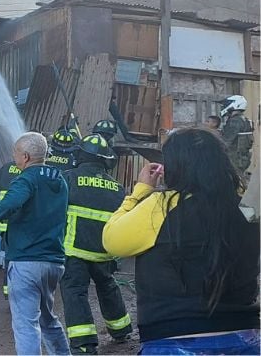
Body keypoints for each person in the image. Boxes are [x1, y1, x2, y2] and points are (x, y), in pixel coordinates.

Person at [103, 128, 260, 355]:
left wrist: (140, 191)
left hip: (174, 338)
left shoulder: (161, 205)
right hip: (244, 337)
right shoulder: (246, 209)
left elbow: (112, 241)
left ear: (176, 167)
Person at [0, 132, 71, 355]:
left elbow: (11, 202)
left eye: (16, 154)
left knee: (25, 325)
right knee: (48, 319)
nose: (15, 159)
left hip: (26, 261)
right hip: (53, 262)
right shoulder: (59, 179)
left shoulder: (27, 179)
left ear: (27, 157)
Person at [60, 135, 132, 354]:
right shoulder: (117, 187)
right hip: (104, 252)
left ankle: (84, 344)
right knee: (108, 287)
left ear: (80, 155)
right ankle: (121, 330)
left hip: (74, 251)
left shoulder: (68, 178)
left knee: (75, 293)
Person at [0, 160, 23, 299]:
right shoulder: (29, 171)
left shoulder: (6, 168)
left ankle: (8, 290)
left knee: (10, 258)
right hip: (21, 224)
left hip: (5, 225)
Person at [220, 95, 254, 174]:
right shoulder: (246, 120)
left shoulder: (234, 121)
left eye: (226, 104)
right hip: (242, 160)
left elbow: (225, 142)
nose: (224, 106)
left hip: (233, 160)